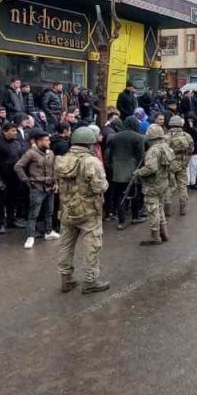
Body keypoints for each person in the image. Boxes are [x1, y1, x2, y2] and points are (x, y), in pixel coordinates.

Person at [54, 125, 109, 294]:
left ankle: (66, 279)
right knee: (92, 245)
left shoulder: (62, 160)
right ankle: (91, 280)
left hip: (66, 209)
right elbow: (100, 187)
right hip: (88, 211)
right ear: (90, 143)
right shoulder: (91, 161)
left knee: (66, 244)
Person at [15, 129, 58, 249]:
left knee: (49, 211)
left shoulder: (50, 153)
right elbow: (18, 166)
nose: (49, 142)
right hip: (37, 187)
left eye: (48, 139)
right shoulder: (31, 153)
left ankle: (49, 232)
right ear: (39, 141)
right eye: (46, 140)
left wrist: (56, 182)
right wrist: (26, 180)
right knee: (34, 213)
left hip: (50, 187)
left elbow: (54, 168)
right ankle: (30, 236)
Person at [135, 125, 176, 246]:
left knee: (153, 209)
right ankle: (164, 234)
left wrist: (138, 172)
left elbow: (151, 168)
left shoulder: (153, 150)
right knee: (159, 208)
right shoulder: (165, 147)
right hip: (163, 182)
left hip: (152, 184)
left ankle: (155, 236)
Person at [105, 117, 146, 227]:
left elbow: (108, 155)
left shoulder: (113, 137)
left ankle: (121, 221)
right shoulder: (139, 137)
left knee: (119, 196)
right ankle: (135, 217)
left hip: (117, 171)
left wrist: (110, 168)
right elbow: (141, 156)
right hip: (132, 170)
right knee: (135, 195)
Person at [0, 123, 28, 233]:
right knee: (1, 201)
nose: (15, 133)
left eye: (15, 131)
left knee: (12, 200)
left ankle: (11, 220)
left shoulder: (17, 144)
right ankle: (1, 223)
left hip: (15, 177)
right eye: (12, 131)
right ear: (5, 131)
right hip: (3, 177)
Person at [166, 115, 195, 217]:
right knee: (183, 186)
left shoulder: (167, 137)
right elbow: (191, 149)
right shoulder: (187, 136)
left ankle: (167, 210)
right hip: (182, 164)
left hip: (170, 165)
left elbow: (163, 152)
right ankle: (183, 209)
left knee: (169, 186)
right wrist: (185, 161)